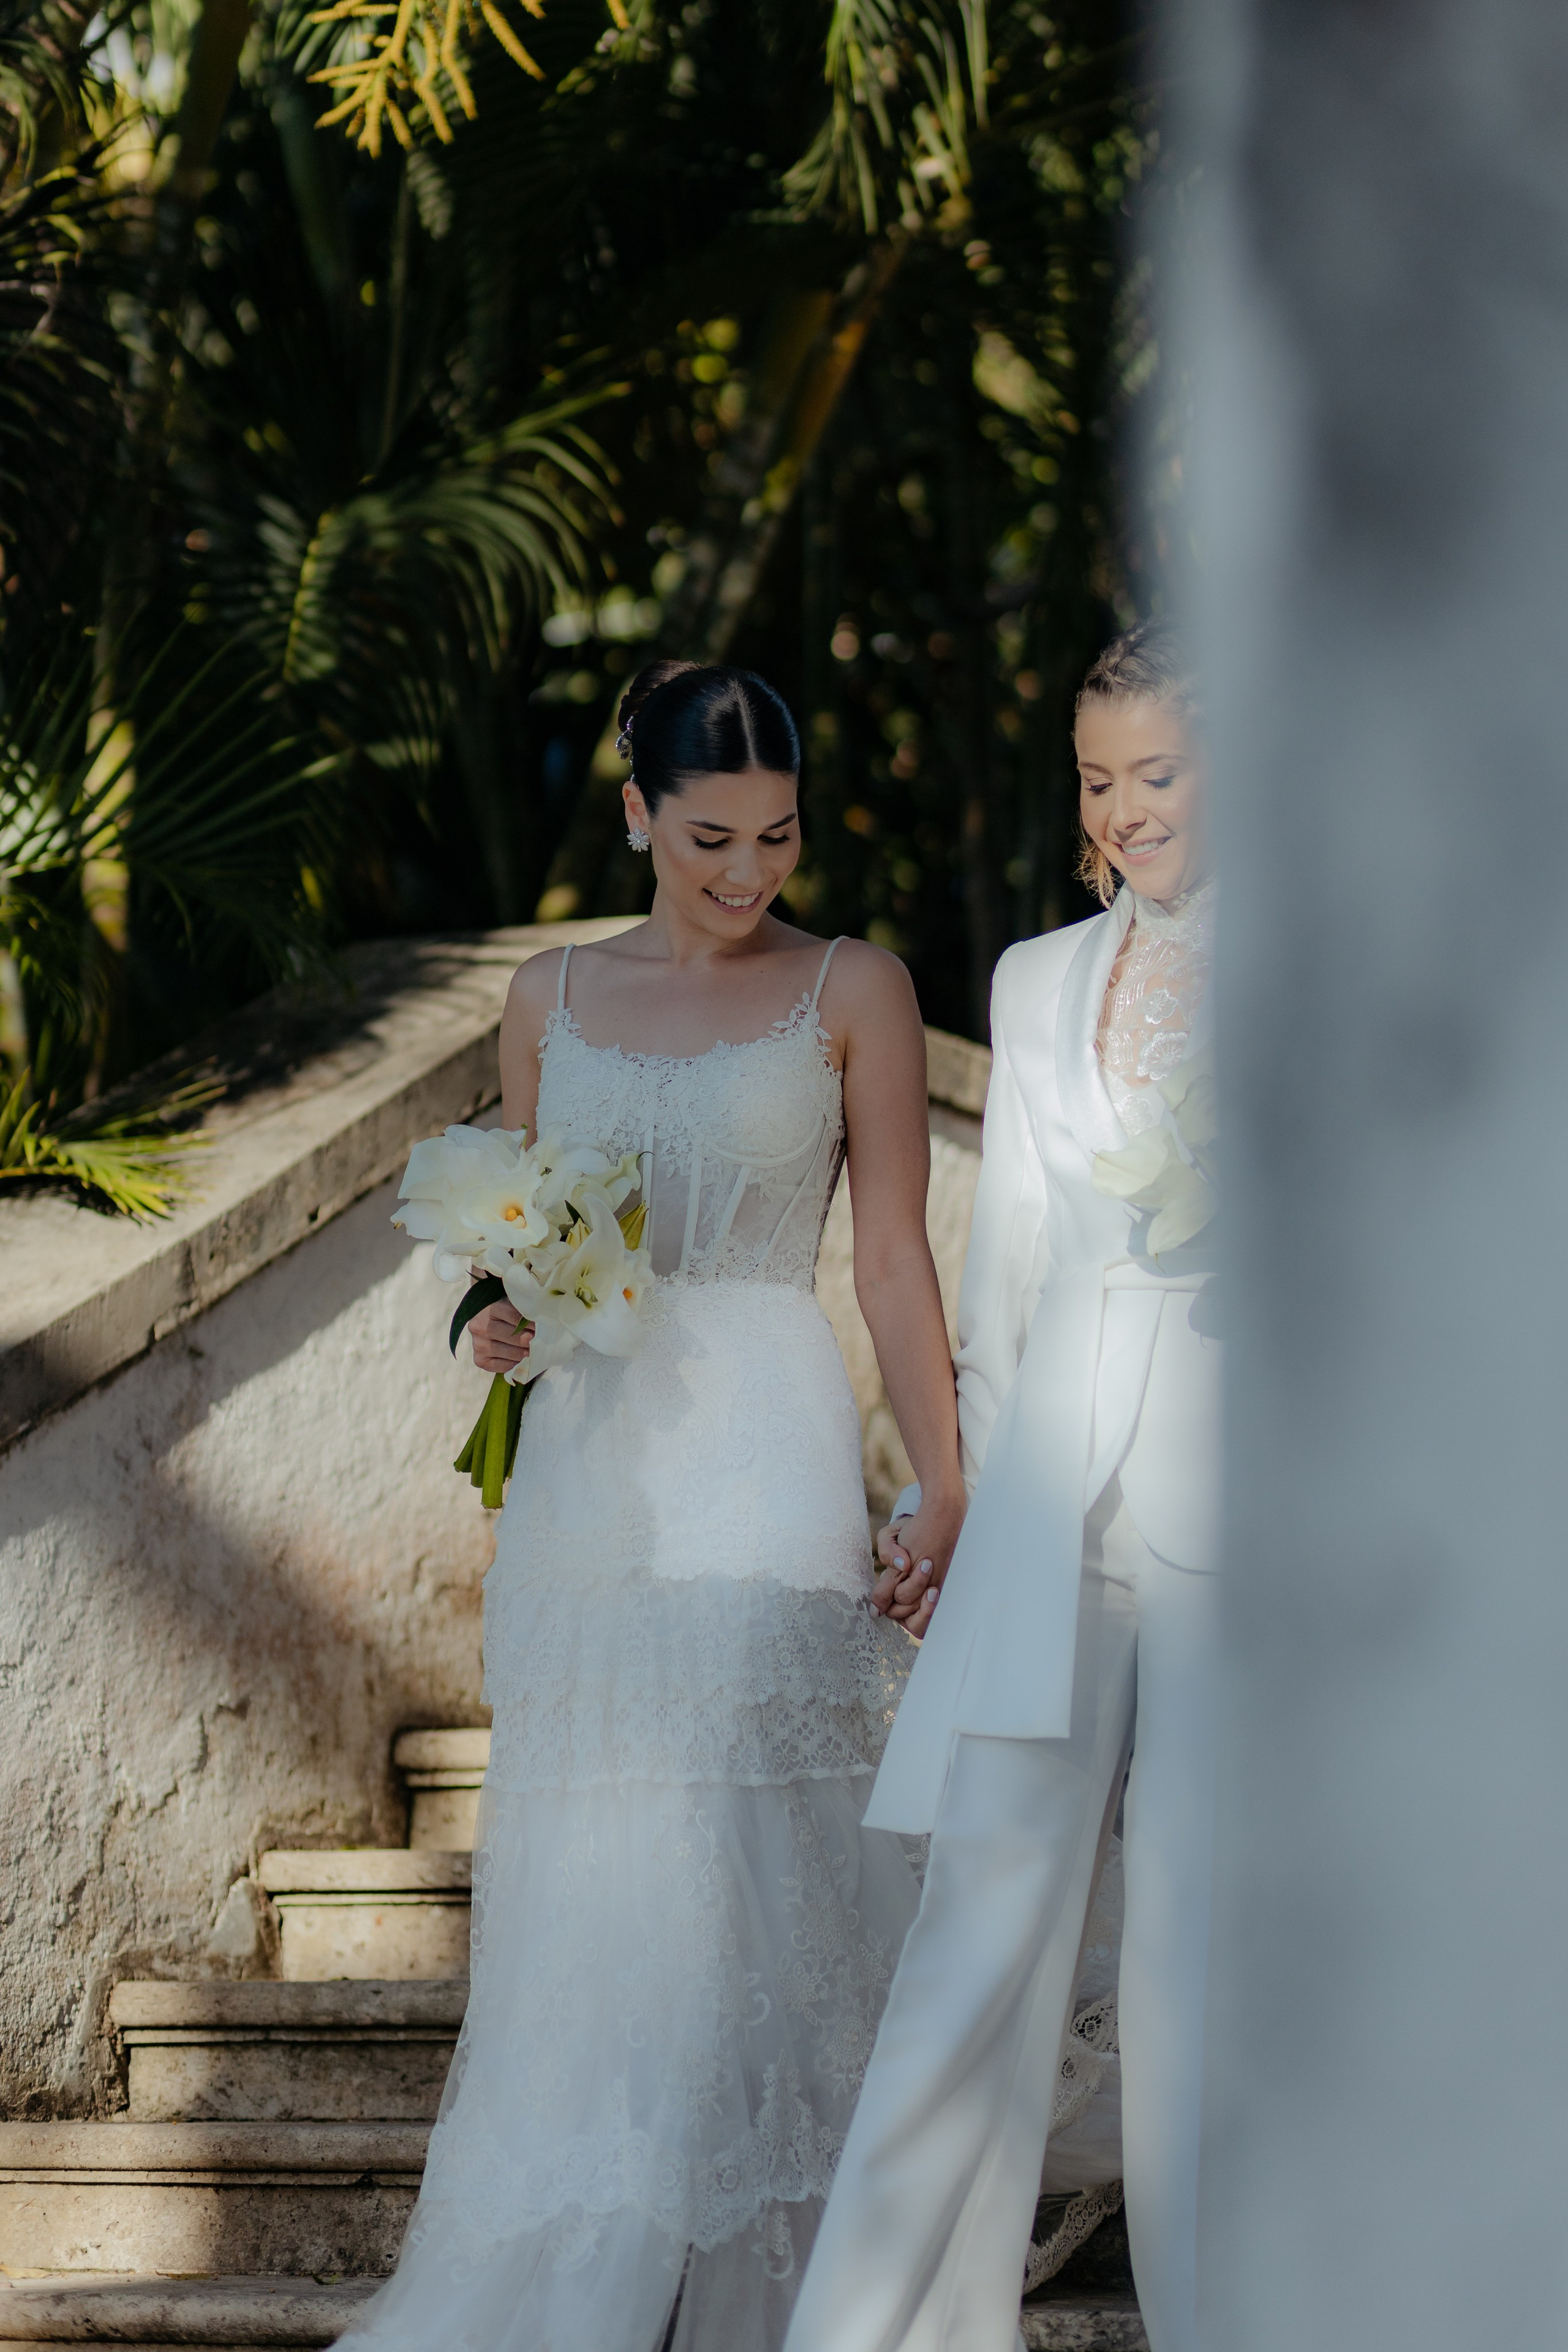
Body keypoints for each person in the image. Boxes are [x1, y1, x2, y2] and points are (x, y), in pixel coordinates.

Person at [331, 660, 966, 2352]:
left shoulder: (860, 988)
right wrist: (488, 1318)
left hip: (764, 1436)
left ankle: (796, 2283)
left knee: (762, 1855)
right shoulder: (545, 995)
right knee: (602, 1866)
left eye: (775, 836)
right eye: (708, 839)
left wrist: (948, 1478)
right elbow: (504, 1236)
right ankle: (593, 2270)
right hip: (591, 1457)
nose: (748, 873)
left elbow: (893, 1258)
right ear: (635, 815)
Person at [782, 621, 1220, 2352]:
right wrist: (948, 1496)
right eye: (1101, 782)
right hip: (1054, 1496)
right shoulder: (1040, 979)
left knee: (1200, 1946)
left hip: (1246, 1508)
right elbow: (1013, 1262)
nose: (1126, 811)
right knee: (980, 1920)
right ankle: (880, 2330)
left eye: (1162, 773)